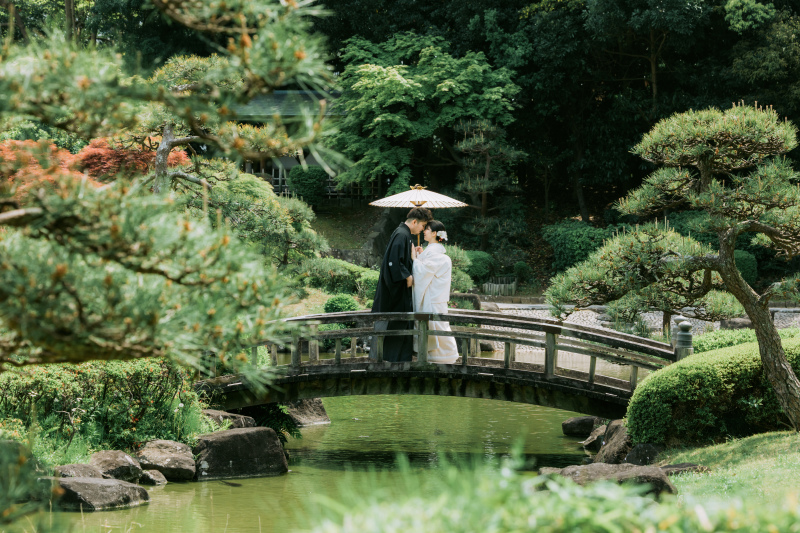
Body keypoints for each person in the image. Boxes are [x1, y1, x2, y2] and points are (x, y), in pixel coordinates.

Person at [371, 207, 433, 362]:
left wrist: (414, 256)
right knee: (396, 326)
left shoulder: (402, 234)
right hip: (395, 296)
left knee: (399, 327)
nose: (421, 230)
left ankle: (397, 360)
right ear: (414, 221)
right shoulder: (402, 235)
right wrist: (407, 277)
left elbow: (399, 259)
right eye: (422, 226)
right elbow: (394, 263)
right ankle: (394, 361)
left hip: (398, 294)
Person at [411, 220, 459, 364]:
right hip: (434, 298)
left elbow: (423, 271)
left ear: (433, 233)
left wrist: (414, 258)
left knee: (439, 327)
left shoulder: (438, 255)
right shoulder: (434, 253)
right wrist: (421, 255)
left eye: (427, 229)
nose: (423, 231)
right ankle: (434, 358)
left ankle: (447, 357)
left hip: (433, 299)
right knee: (435, 326)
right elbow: (426, 266)